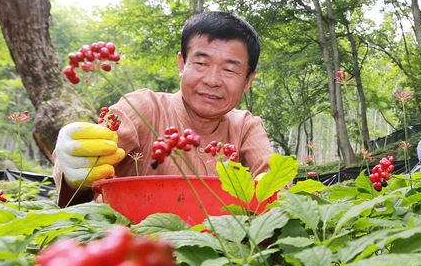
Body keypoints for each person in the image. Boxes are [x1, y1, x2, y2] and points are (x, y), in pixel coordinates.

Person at [54, 11, 274, 207]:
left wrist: (274, 194)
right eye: (201, 63)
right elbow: (91, 156)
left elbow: (274, 185)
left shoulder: (246, 127)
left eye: (229, 70)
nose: (212, 80)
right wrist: (72, 165)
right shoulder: (142, 108)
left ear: (248, 81)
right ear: (182, 64)